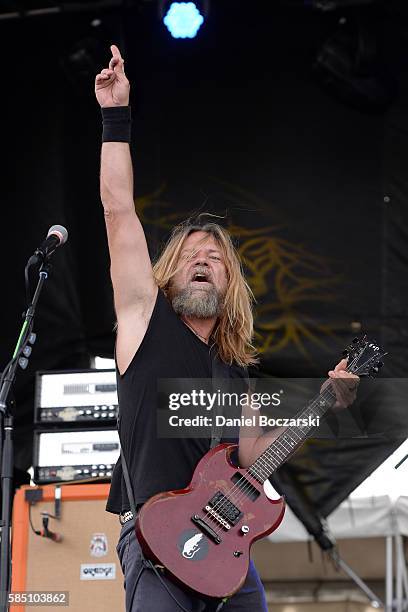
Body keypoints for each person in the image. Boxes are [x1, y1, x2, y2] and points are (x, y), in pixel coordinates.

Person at [95, 44, 360, 612]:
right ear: (169, 270)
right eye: (191, 252)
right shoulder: (145, 321)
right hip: (157, 544)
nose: (201, 259)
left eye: (215, 257)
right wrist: (115, 116)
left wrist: (323, 403)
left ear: (230, 282)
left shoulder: (235, 373)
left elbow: (253, 456)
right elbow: (118, 210)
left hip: (227, 557)